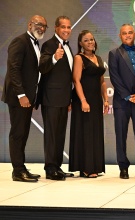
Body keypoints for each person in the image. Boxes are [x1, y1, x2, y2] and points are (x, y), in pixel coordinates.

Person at [2, 15, 47, 182]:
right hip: (18, 97)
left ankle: (20, 168)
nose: (42, 28)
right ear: (30, 24)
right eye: (39, 24)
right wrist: (21, 95)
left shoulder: (35, 43)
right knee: (18, 133)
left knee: (23, 133)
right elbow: (13, 69)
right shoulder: (20, 41)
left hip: (28, 98)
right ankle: (17, 171)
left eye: (44, 26)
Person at [109, 24, 135, 179]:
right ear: (120, 36)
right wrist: (128, 96)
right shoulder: (114, 53)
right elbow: (115, 77)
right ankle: (123, 167)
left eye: (130, 32)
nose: (127, 35)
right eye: (124, 33)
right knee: (121, 135)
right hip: (122, 102)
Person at [69, 30, 109, 178]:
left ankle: (95, 166)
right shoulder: (79, 58)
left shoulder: (97, 58)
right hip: (83, 100)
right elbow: (76, 80)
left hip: (96, 100)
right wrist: (83, 101)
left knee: (95, 132)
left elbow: (102, 81)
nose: (90, 42)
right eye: (86, 40)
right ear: (80, 43)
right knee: (85, 132)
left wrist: (105, 99)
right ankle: (85, 167)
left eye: (91, 39)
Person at [39, 16, 74, 181]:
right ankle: (50, 168)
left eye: (69, 27)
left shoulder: (68, 46)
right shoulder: (49, 45)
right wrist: (54, 57)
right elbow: (42, 66)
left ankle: (57, 167)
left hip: (64, 98)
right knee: (52, 134)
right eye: (63, 27)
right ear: (56, 28)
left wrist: (69, 99)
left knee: (60, 134)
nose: (66, 30)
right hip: (51, 98)